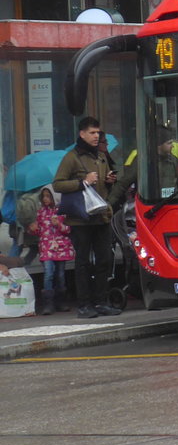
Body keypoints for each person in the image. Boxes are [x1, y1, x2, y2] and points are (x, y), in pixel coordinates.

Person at [52, 116, 121, 318]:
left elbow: (103, 185)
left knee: (104, 260)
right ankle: (84, 305)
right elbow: (58, 184)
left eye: (98, 133)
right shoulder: (72, 157)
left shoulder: (100, 155)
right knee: (83, 262)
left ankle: (101, 301)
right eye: (92, 132)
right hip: (81, 218)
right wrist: (83, 181)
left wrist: (109, 180)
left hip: (101, 216)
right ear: (82, 134)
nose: (96, 136)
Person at [28, 187, 73, 315]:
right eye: (43, 196)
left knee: (60, 274)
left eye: (48, 196)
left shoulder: (62, 212)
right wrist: (32, 228)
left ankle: (61, 301)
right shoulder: (40, 213)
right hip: (46, 247)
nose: (45, 199)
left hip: (61, 247)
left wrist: (58, 224)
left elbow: (68, 230)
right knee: (48, 273)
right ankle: (48, 303)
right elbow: (38, 231)